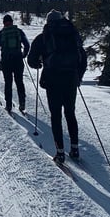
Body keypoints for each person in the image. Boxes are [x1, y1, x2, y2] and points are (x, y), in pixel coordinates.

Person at [27, 10, 87, 163]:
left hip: (53, 80)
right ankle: (74, 149)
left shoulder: (44, 37)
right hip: (70, 79)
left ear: (48, 22)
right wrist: (77, 77)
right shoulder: (72, 34)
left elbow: (32, 60)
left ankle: (60, 152)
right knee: (70, 113)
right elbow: (83, 58)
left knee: (56, 116)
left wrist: (39, 63)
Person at [0, 14, 30, 114]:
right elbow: (27, 45)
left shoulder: (1, 33)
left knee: (8, 83)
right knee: (19, 82)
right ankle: (22, 104)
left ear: (3, 23)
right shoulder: (19, 31)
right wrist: (23, 54)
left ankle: (9, 105)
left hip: (6, 61)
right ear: (12, 22)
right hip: (18, 60)